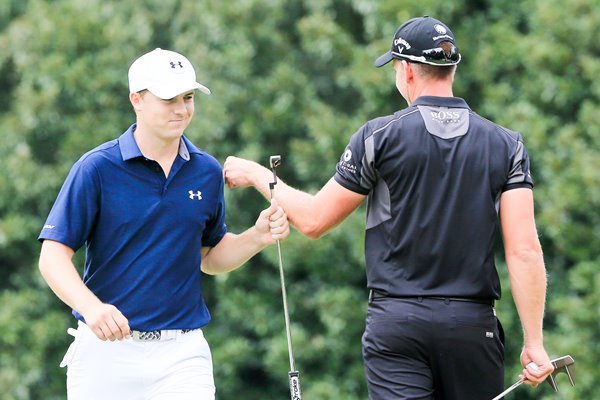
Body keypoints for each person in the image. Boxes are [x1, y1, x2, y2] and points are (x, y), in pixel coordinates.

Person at [223, 16, 555, 400]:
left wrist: (256, 174)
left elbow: (313, 221)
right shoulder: (507, 144)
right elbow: (524, 249)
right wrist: (534, 342)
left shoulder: (378, 137)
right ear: (453, 67)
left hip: (398, 326)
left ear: (408, 70)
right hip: (472, 327)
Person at [38, 48, 289, 400]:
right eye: (169, 98)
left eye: (188, 97)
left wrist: (257, 236)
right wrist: (92, 308)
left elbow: (209, 257)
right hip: (106, 352)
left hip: (182, 353)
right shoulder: (96, 168)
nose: (182, 108)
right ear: (136, 100)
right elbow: (52, 257)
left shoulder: (206, 171)